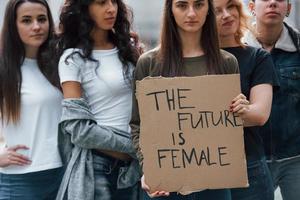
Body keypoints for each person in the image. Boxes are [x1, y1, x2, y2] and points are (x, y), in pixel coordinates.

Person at [130, 0, 241, 199]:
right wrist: (148, 168)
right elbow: (138, 124)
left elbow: (230, 125)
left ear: (208, 9)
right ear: (170, 11)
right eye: (182, 5)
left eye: (199, 5)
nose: (191, 13)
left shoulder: (227, 63)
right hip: (166, 184)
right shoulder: (148, 63)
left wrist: (242, 110)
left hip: (215, 183)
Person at [55, 0, 142, 200]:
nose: (111, 9)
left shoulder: (127, 50)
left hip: (135, 169)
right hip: (99, 168)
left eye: (113, 2)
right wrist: (135, 147)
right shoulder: (73, 59)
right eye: (101, 3)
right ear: (84, 8)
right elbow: (79, 130)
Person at [213, 0, 279, 199]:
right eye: (217, 11)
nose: (227, 15)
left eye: (231, 6)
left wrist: (245, 110)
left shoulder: (258, 58)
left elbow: (259, 115)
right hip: (203, 165)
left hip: (248, 165)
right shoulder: (192, 58)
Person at [0, 0, 63, 199]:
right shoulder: (4, 70)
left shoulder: (59, 65)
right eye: (26, 20)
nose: (36, 26)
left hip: (61, 174)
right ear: (13, 25)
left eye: (42, 19)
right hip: (20, 181)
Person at [243, 0, 300, 199]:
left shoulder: (297, 46)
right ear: (251, 7)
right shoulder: (237, 50)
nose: (273, 3)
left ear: (289, 9)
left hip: (295, 159)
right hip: (251, 159)